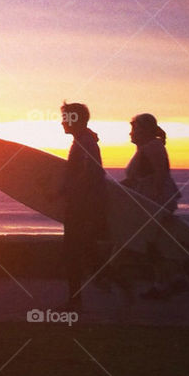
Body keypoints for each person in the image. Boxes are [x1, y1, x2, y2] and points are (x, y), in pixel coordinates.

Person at [121, 113, 188, 299]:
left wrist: (156, 205)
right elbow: (137, 179)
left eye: (134, 129)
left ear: (145, 130)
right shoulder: (146, 148)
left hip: (154, 203)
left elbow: (160, 175)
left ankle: (168, 282)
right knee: (154, 244)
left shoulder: (153, 147)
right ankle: (172, 280)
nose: (130, 133)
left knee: (153, 244)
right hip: (148, 202)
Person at [57, 101, 107, 311]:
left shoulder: (85, 141)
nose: (62, 122)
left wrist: (72, 191)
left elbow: (93, 171)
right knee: (85, 252)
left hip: (82, 208)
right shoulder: (84, 139)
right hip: (81, 205)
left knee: (73, 253)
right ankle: (112, 284)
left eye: (65, 118)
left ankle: (76, 300)